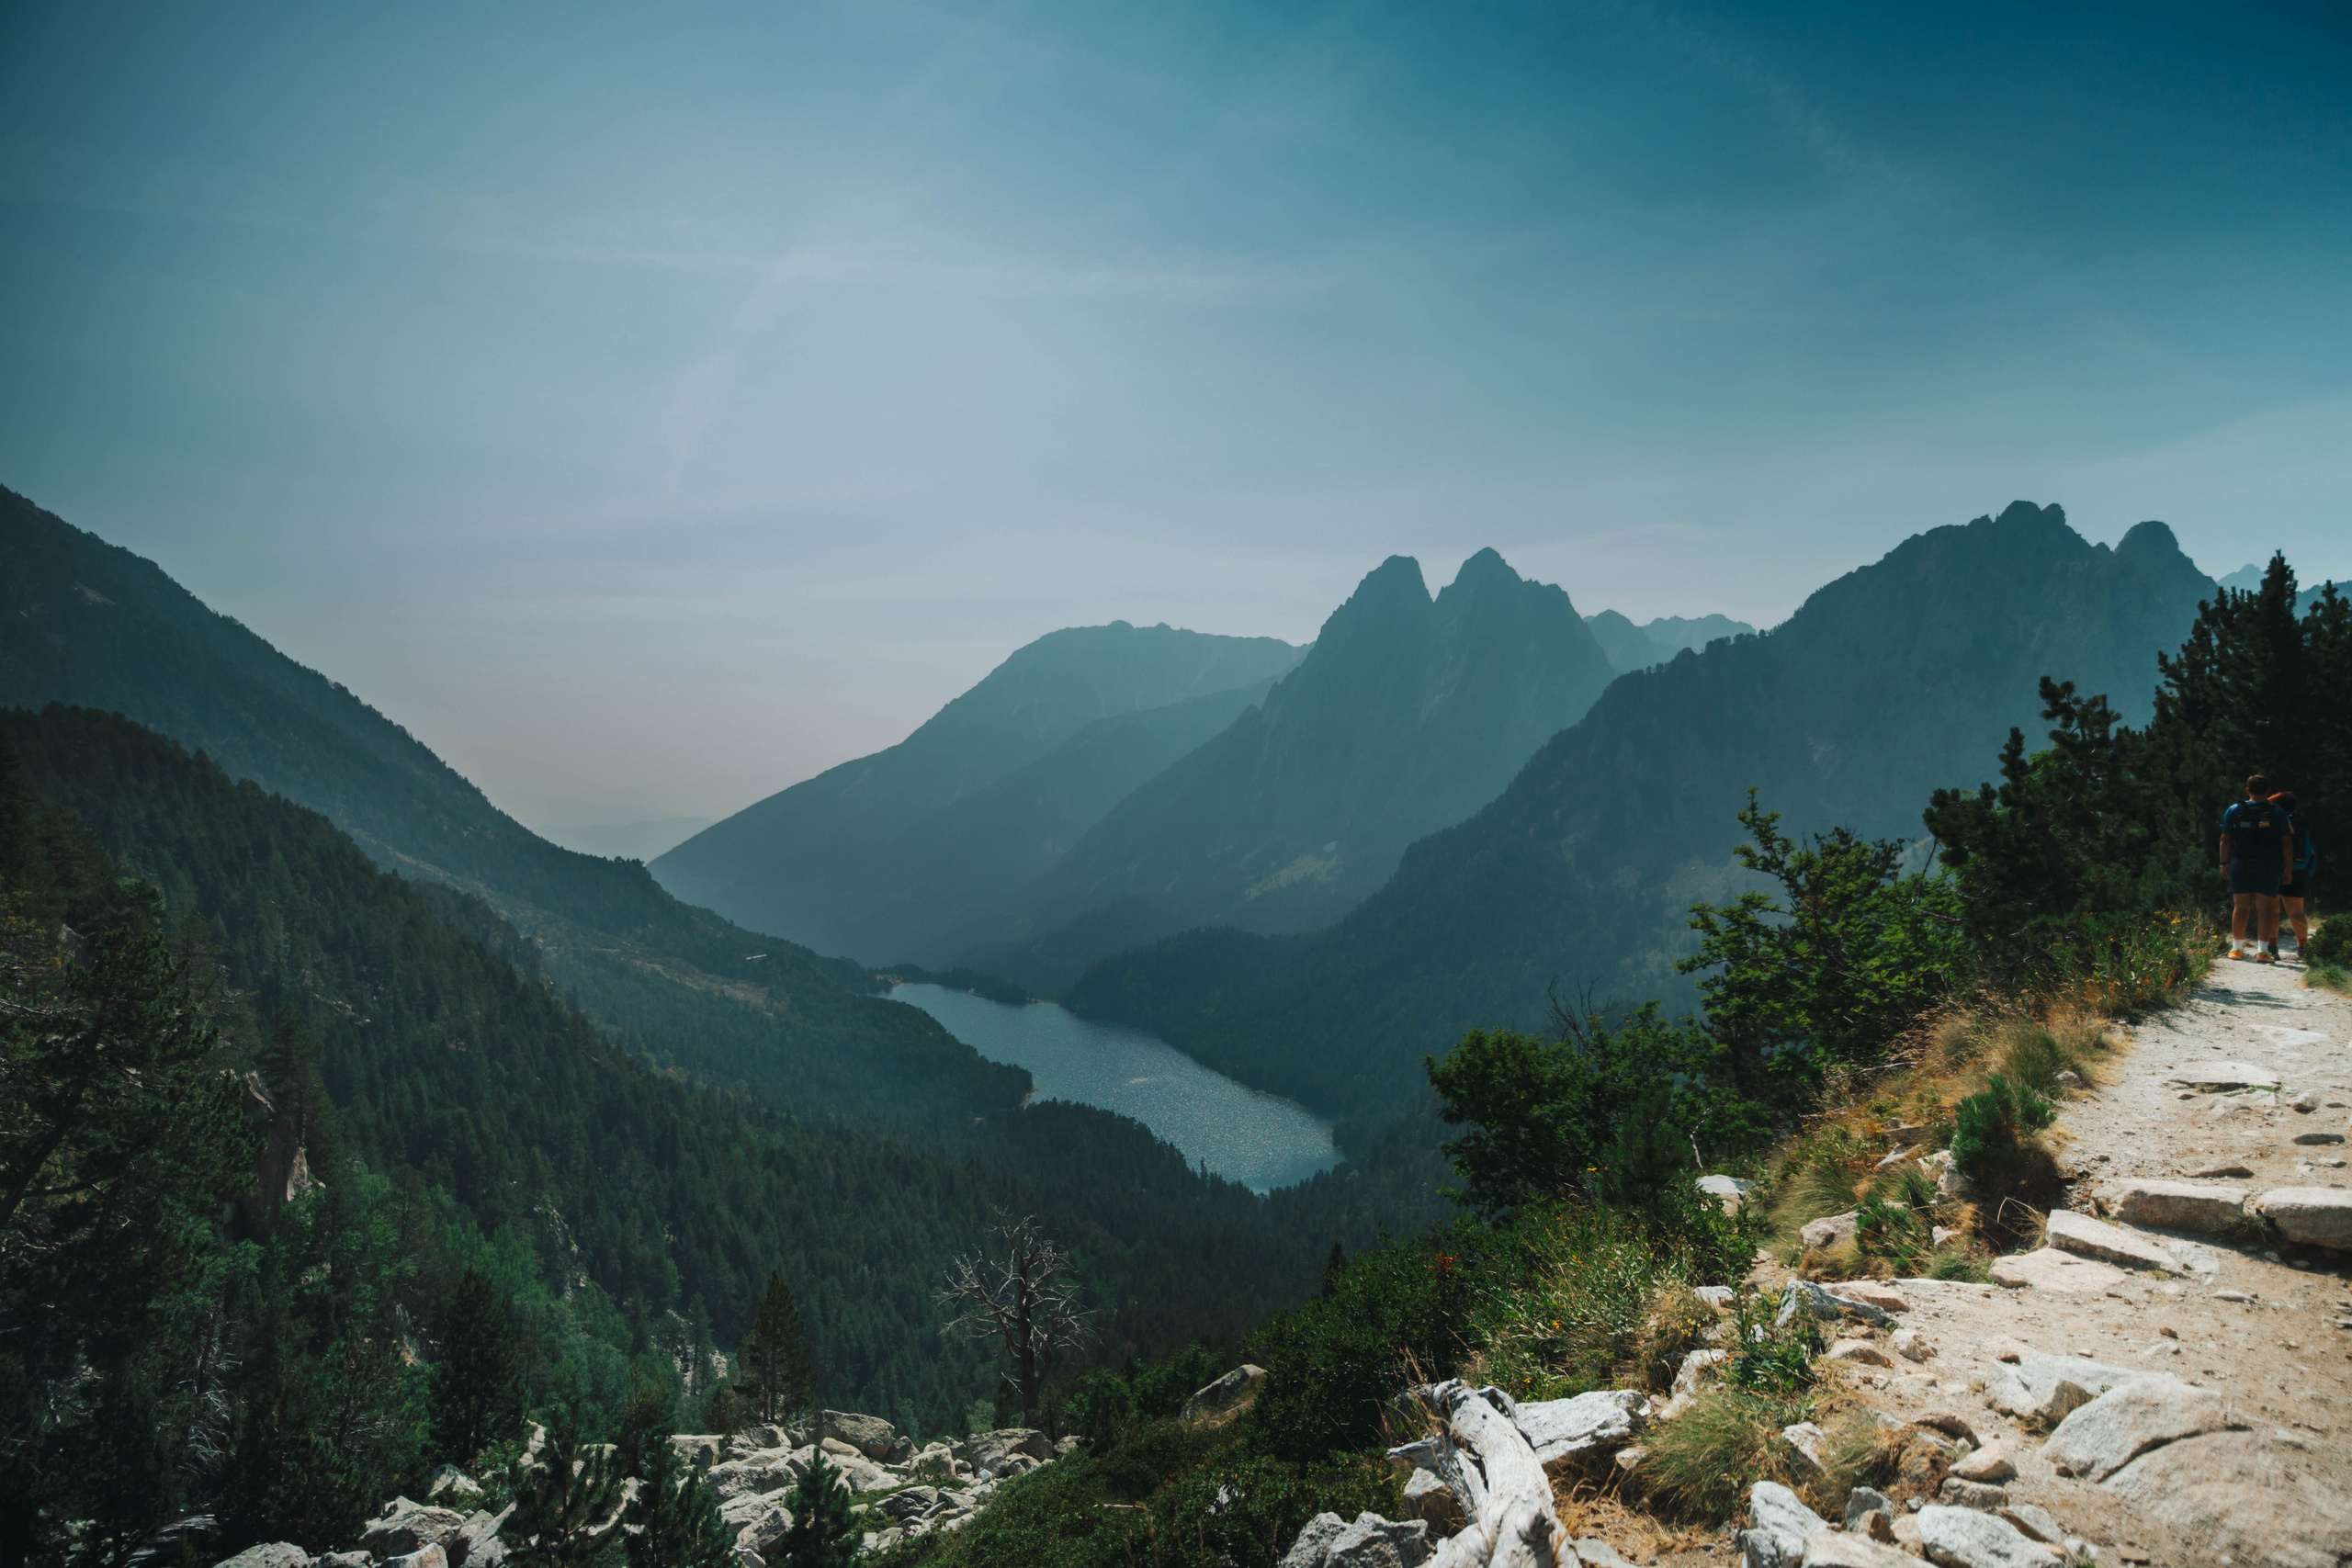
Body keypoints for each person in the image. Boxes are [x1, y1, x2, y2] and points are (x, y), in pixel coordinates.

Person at [2219, 774, 2294, 962]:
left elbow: (2225, 839)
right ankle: (2263, 952)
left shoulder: (2234, 810)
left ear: (2247, 790)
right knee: (2265, 909)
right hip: (2269, 865)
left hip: (2240, 863)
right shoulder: (2277, 812)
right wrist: (2288, 868)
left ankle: (2236, 949)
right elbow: (2286, 842)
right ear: (2267, 791)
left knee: (2240, 907)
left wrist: (2224, 863)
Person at [2275, 789, 2316, 958]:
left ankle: (2272, 947)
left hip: (2277, 869)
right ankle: (2302, 947)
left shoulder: (2276, 820)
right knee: (2296, 911)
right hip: (2299, 869)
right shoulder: (2303, 821)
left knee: (2273, 910)